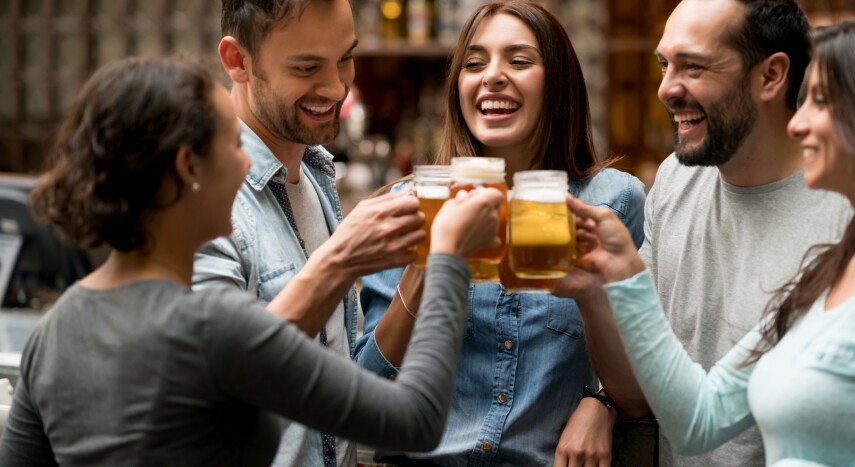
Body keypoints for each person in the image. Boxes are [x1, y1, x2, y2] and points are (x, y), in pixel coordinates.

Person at [0, 57, 507, 466]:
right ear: (188, 167)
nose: (247, 162)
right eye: (232, 145)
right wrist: (448, 256)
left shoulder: (57, 329)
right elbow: (414, 419)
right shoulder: (214, 325)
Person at [568, 8, 855, 465]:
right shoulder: (832, 265)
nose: (796, 123)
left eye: (821, 101)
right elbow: (700, 418)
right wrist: (626, 276)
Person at [560, 0, 851, 467]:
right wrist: (593, 303)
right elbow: (642, 392)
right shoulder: (676, 180)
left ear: (771, 76)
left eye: (692, 67)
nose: (665, 90)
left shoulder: (848, 213)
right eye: (664, 65)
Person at [353, 0, 646, 466]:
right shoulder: (409, 203)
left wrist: (601, 401)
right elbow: (363, 401)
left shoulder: (609, 202)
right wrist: (428, 264)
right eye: (474, 64)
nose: (491, 75)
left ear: (558, 86)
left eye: (519, 60)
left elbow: (640, 385)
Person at [193, 0, 405, 467]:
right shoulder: (199, 198)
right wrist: (344, 259)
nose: (336, 88)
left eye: (346, 58)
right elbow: (214, 384)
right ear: (236, 60)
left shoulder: (314, 173)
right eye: (308, 68)